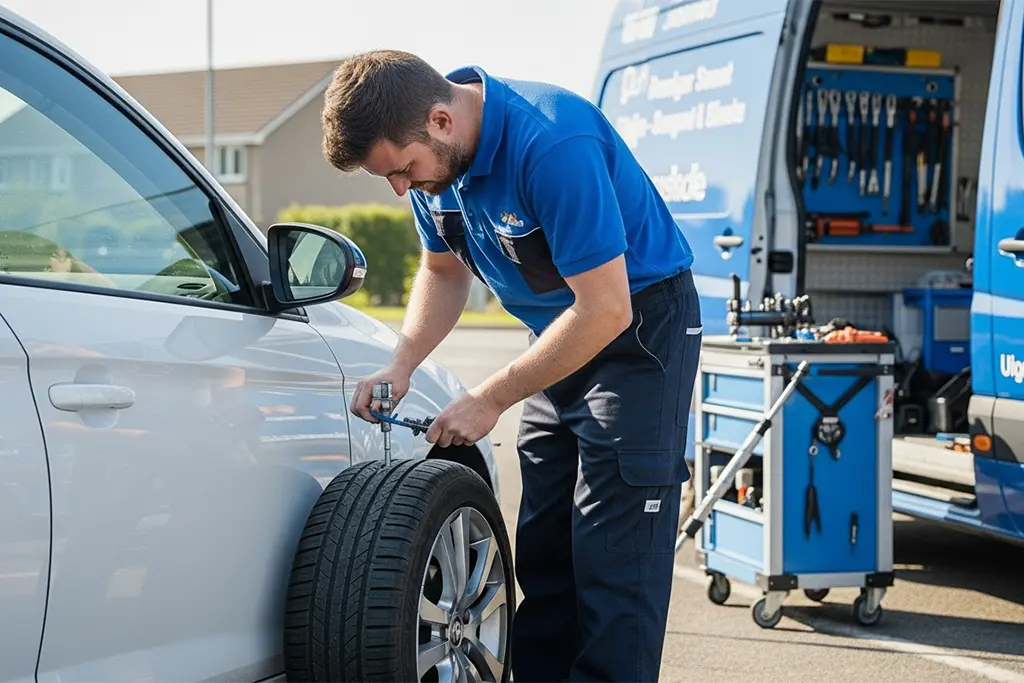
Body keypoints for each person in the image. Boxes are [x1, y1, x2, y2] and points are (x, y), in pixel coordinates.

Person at [323, 49, 703, 683]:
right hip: (558, 338)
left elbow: (606, 310)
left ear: (441, 121)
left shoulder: (553, 141)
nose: (399, 187)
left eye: (402, 170)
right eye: (386, 178)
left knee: (614, 561)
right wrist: (403, 363)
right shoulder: (436, 173)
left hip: (639, 333)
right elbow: (443, 272)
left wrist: (490, 397)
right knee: (547, 555)